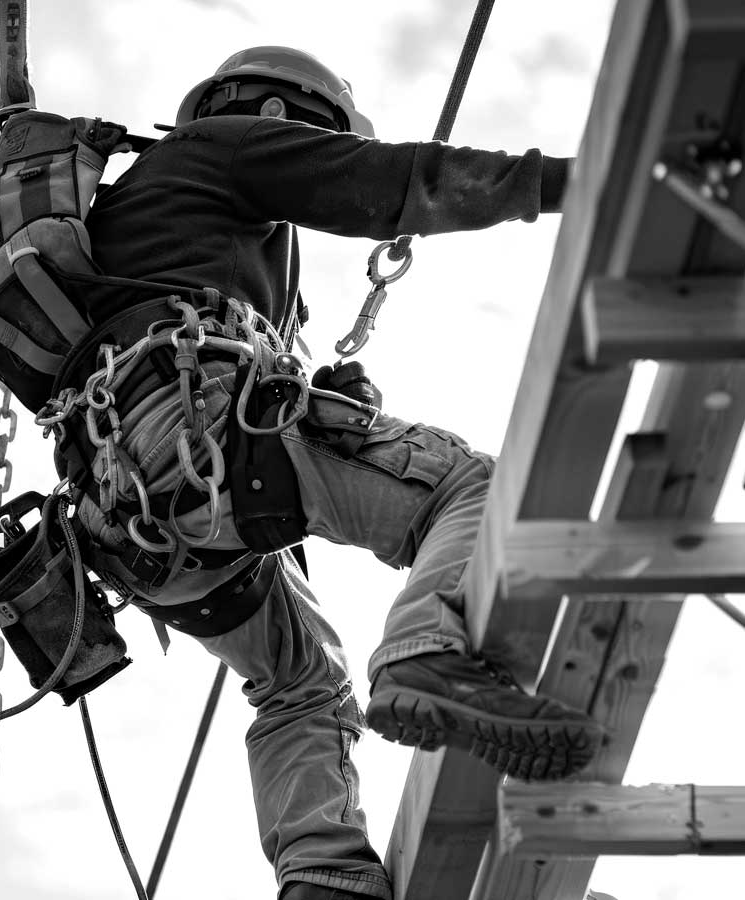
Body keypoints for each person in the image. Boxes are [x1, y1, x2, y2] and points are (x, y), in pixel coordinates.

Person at [69, 46, 604, 900]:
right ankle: (424, 651)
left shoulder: (138, 223)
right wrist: (585, 183)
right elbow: (393, 182)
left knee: (296, 681)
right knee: (468, 488)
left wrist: (322, 394)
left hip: (128, 522)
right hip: (205, 435)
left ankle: (323, 874)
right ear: (277, 115)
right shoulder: (224, 148)